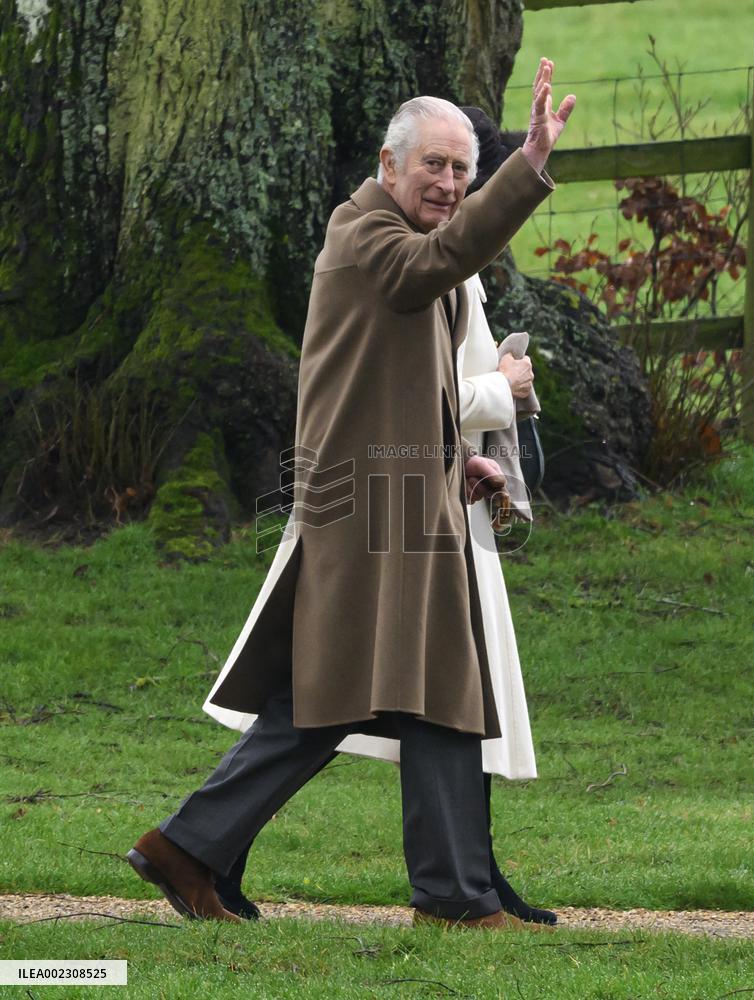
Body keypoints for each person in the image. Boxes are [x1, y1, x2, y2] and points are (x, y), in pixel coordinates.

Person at [126, 60, 575, 931]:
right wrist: (528, 167)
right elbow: (436, 263)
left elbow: (404, 384)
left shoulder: (398, 245)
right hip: (371, 511)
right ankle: (440, 896)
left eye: (461, 170)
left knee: (390, 688)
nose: (448, 184)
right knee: (371, 690)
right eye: (433, 167)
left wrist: (462, 459)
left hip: (407, 498)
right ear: (387, 164)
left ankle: (196, 848)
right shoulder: (364, 235)